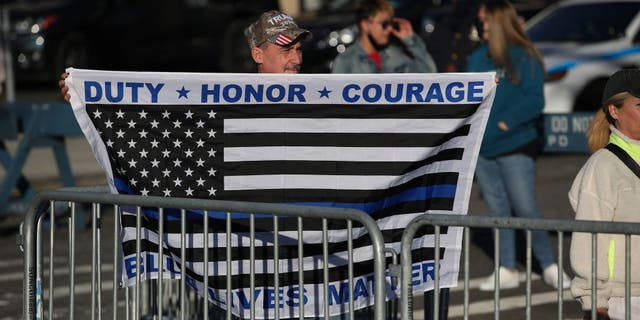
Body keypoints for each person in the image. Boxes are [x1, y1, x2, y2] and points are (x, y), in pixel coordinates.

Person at [465, 0, 570, 291]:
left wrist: (504, 124)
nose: (480, 26)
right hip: (484, 150)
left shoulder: (524, 56)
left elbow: (534, 100)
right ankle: (506, 267)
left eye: (485, 21)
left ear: (498, 23)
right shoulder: (477, 58)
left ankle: (549, 265)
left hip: (515, 145)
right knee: (497, 211)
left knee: (525, 208)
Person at [59, 10, 311, 100]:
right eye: (286, 50)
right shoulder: (230, 98)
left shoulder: (321, 92)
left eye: (299, 50)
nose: (296, 60)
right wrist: (85, 93)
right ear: (257, 54)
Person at [569, 69, 640, 320]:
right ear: (614, 111)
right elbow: (588, 237)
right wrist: (593, 301)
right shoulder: (603, 166)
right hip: (623, 297)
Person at [331, 0, 436, 74]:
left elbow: (430, 75)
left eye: (391, 23)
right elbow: (337, 100)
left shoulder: (396, 54)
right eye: (384, 24)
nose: (389, 29)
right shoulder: (346, 61)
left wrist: (411, 41)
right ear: (365, 25)